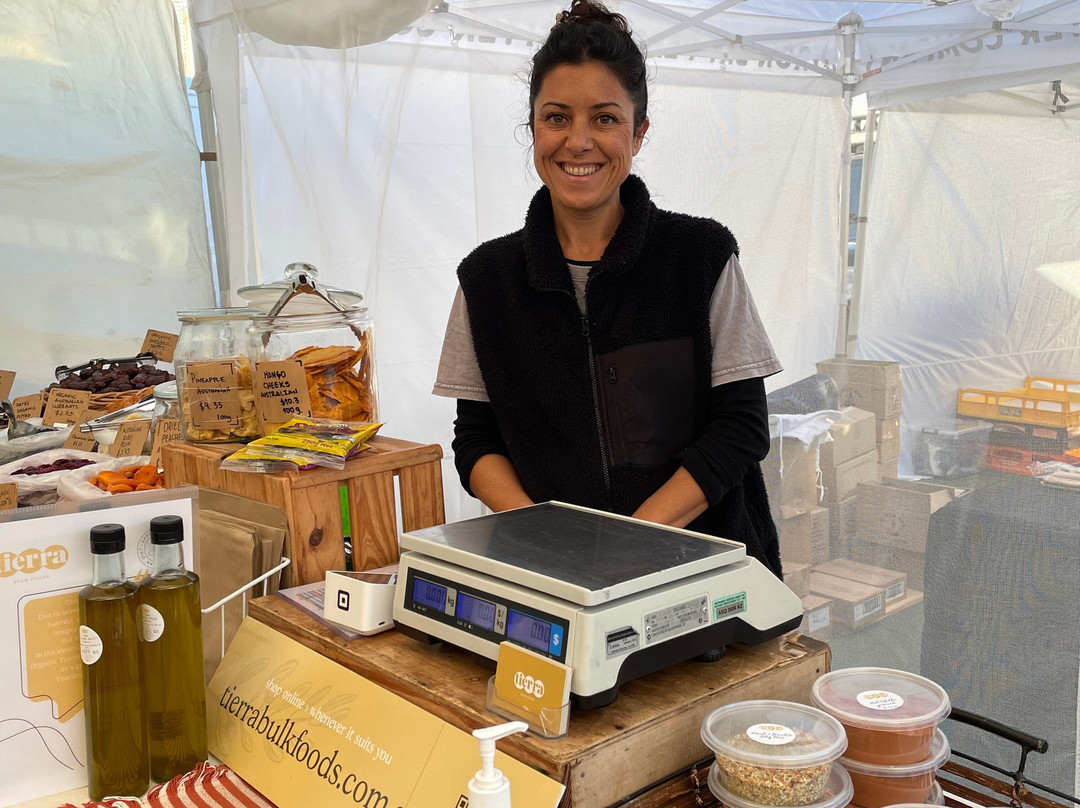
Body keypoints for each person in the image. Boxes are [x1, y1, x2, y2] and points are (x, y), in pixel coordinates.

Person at [433, 0, 783, 576]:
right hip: (553, 578)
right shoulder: (486, 280)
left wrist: (628, 544)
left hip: (702, 574)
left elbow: (741, 429)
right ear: (533, 127)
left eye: (604, 118)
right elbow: (475, 440)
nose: (578, 142)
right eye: (556, 117)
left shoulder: (700, 257)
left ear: (638, 132)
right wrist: (545, 539)